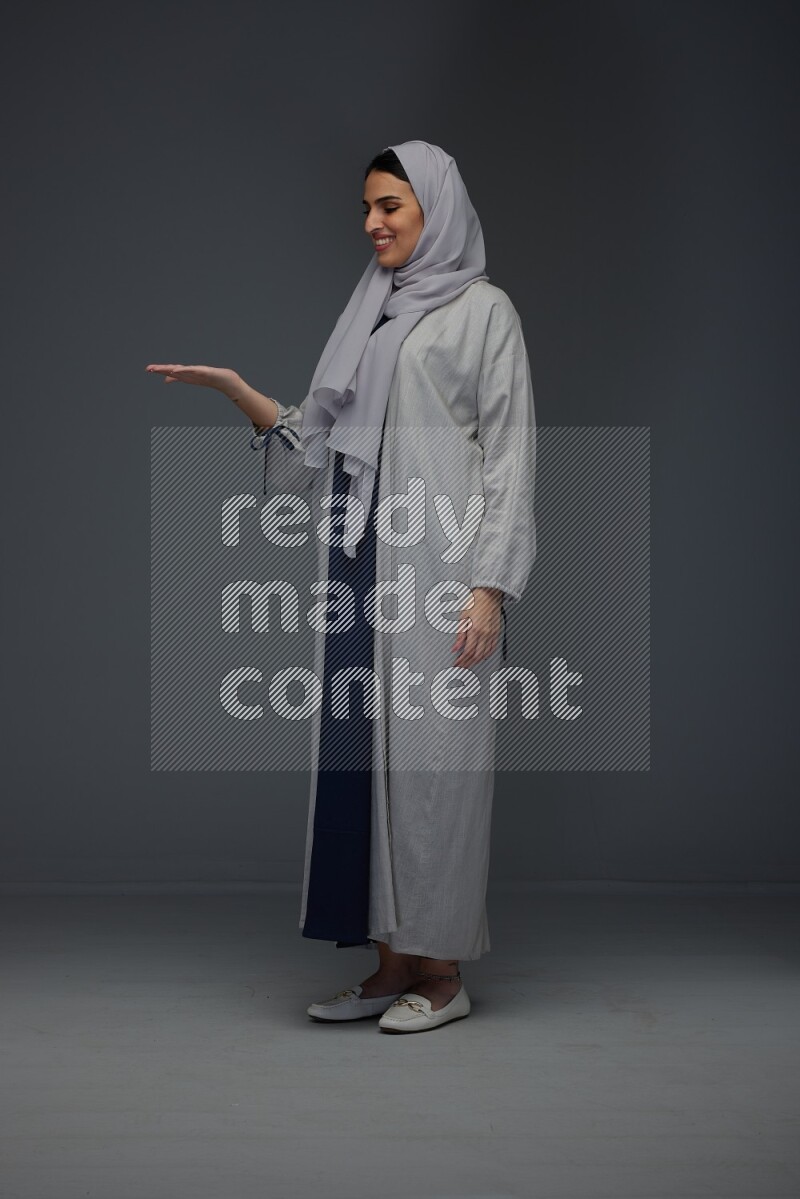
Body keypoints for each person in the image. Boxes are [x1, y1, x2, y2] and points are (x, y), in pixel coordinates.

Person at [146, 139, 536, 1033]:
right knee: (363, 764)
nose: (372, 223)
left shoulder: (484, 313)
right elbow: (310, 457)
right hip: (360, 561)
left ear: (435, 207)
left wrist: (490, 588)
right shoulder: (370, 312)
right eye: (366, 207)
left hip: (441, 567)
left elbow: (512, 459)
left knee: (436, 769)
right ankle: (387, 963)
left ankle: (440, 975)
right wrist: (242, 392)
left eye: (391, 205)